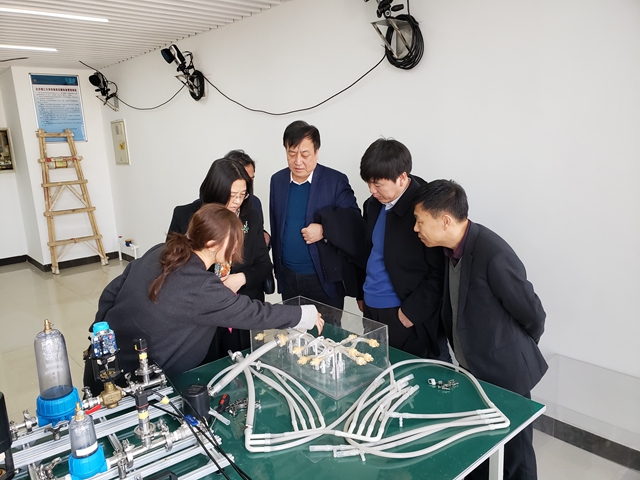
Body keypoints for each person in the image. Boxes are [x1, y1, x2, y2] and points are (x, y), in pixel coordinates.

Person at [83, 204, 323, 394]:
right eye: (234, 241)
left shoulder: (161, 250)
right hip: (133, 387)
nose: (237, 247)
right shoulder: (200, 286)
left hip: (102, 365)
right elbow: (254, 313)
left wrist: (100, 336)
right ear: (210, 243)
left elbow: (111, 291)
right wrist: (305, 314)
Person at [412, 179, 547, 480]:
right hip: (474, 371)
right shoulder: (450, 251)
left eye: (420, 221)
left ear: (445, 221)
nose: (416, 228)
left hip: (506, 373)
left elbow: (533, 314)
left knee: (516, 457)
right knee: (482, 448)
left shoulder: (493, 254)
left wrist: (511, 350)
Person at [168, 158, 272, 360]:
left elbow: (264, 265)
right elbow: (174, 269)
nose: (237, 202)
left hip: (242, 307)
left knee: (244, 364)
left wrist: (241, 278)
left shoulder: (251, 216)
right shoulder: (185, 215)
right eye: (232, 195)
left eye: (242, 195)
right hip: (201, 312)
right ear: (215, 191)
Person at [358, 138, 448, 360]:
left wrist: (412, 312)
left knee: (406, 374)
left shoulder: (426, 209)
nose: (372, 191)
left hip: (402, 314)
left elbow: (440, 272)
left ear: (401, 178)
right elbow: (367, 252)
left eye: (377, 184)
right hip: (371, 308)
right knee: (375, 368)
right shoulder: (372, 204)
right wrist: (361, 294)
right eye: (368, 183)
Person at [270, 120, 364, 310]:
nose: (298, 161)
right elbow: (275, 222)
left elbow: (355, 223)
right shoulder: (277, 180)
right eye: (292, 153)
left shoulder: (335, 181)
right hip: (288, 276)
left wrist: (324, 230)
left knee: (328, 329)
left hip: (323, 278)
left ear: (316, 152)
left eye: (305, 154)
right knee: (292, 328)